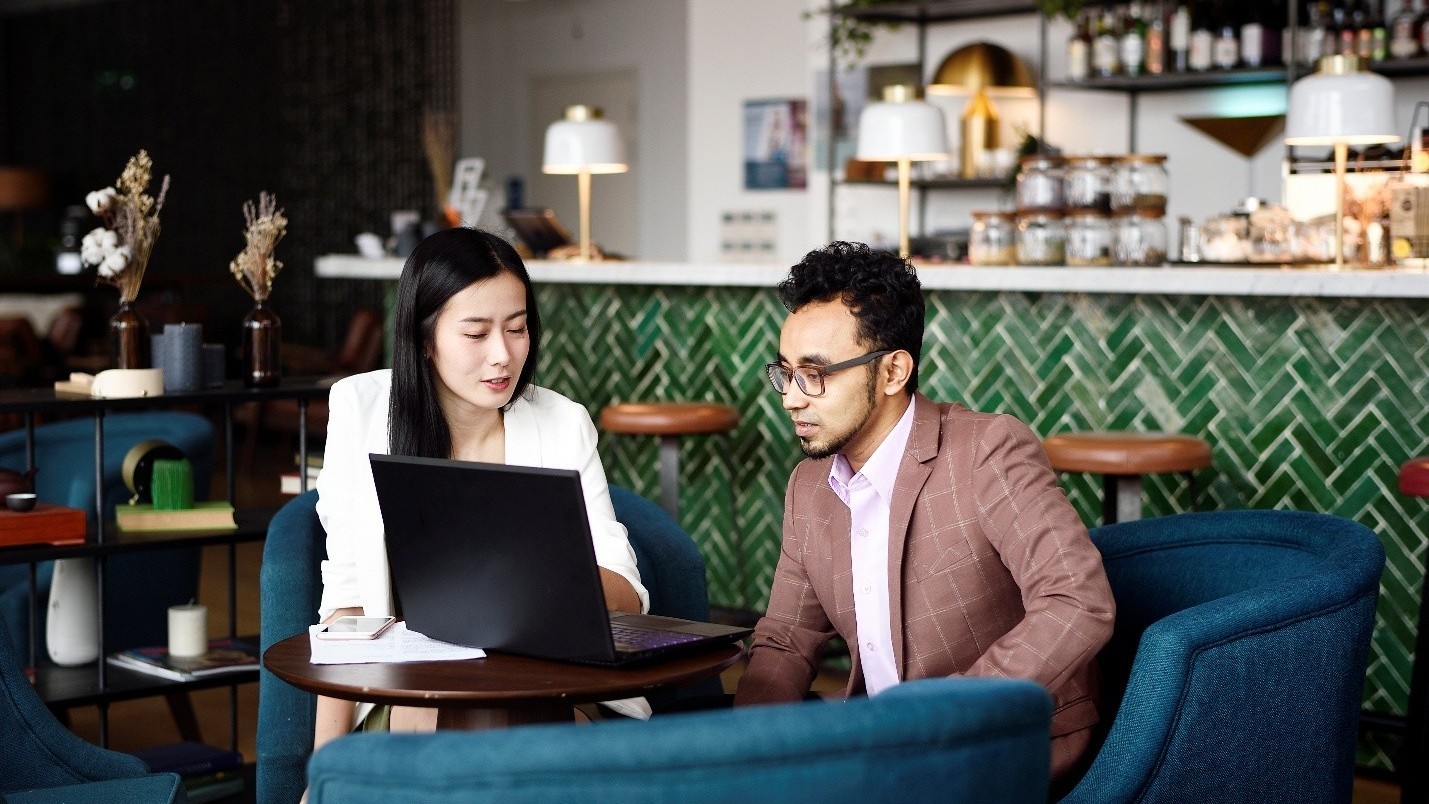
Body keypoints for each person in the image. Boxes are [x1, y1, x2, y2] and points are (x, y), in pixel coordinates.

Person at [733, 241, 1115, 787]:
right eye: (785, 372)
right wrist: (741, 758)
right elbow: (787, 639)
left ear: (893, 371)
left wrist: (941, 718)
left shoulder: (986, 451)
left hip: (1004, 748)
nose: (792, 397)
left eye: (815, 374)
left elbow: (1078, 601)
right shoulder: (810, 485)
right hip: (885, 753)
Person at [311, 228, 649, 753]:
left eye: (517, 329)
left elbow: (627, 592)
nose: (503, 355)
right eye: (476, 334)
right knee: (451, 720)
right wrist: (322, 773)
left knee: (517, 727)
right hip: (411, 693)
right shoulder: (361, 411)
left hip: (548, 688)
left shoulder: (563, 423)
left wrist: (546, 577)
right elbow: (347, 609)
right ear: (425, 338)